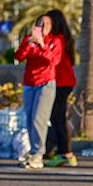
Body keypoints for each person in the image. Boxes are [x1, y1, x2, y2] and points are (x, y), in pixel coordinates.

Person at [15, 15, 60, 169]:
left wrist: (42, 45)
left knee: (39, 119)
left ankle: (38, 154)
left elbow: (53, 61)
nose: (43, 26)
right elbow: (19, 56)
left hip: (46, 84)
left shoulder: (55, 41)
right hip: (29, 83)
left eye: (47, 23)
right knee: (29, 119)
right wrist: (28, 44)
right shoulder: (29, 39)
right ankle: (33, 151)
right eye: (41, 23)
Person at [43, 9, 78, 167]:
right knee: (57, 117)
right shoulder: (65, 39)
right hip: (65, 82)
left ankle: (65, 152)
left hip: (60, 82)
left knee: (57, 118)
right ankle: (60, 150)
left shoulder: (57, 39)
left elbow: (51, 58)